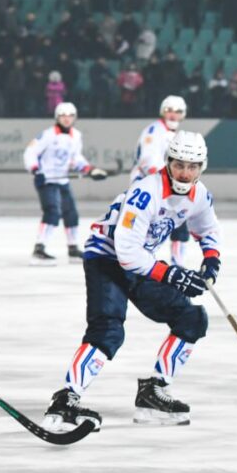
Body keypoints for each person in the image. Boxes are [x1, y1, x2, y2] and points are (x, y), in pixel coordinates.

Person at [42, 131, 221, 433]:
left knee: (191, 318)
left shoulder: (199, 195)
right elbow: (126, 252)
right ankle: (66, 399)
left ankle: (154, 392)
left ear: (201, 167)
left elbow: (208, 229)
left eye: (192, 167)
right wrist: (173, 275)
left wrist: (212, 260)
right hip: (106, 258)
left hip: (141, 262)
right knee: (108, 329)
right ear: (168, 162)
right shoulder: (147, 191)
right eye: (179, 165)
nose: (184, 173)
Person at [23, 102, 108, 265]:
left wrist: (90, 170)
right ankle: (39, 249)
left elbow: (76, 159)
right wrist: (35, 170)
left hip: (62, 180)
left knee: (71, 213)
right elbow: (30, 152)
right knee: (52, 212)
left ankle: (73, 248)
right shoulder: (48, 135)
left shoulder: (76, 136)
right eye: (63, 116)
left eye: (70, 116)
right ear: (57, 117)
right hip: (47, 179)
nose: (67, 119)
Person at [130, 95, 191, 266]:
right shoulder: (154, 131)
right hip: (147, 184)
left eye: (177, 111)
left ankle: (177, 263)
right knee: (143, 226)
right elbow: (147, 161)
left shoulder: (175, 135)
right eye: (169, 110)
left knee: (180, 219)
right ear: (163, 112)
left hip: (165, 184)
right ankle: (136, 261)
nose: (173, 114)